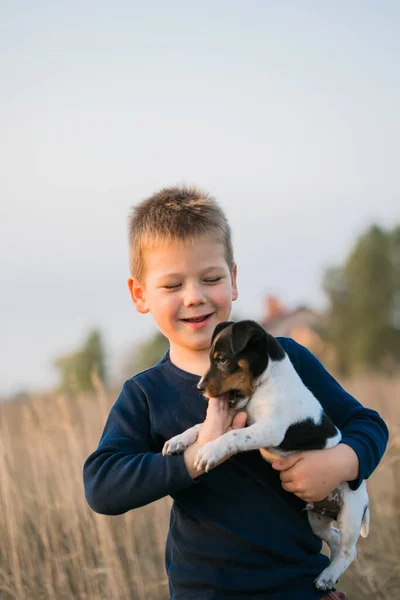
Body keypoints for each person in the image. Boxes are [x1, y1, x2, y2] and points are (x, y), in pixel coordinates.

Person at [83, 185, 388, 600]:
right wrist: (197, 455)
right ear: (140, 295)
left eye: (211, 278)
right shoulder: (146, 393)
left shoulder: (285, 358)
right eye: (172, 286)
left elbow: (367, 424)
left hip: (300, 587)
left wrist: (339, 463)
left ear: (234, 279)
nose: (195, 296)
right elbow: (103, 486)